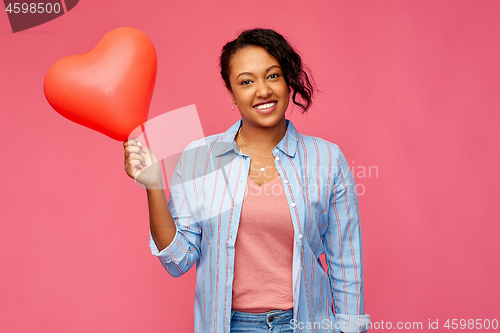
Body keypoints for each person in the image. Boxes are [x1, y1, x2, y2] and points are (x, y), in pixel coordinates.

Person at [123, 28, 371, 333]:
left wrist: (350, 329)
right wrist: (153, 186)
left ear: (287, 81)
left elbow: (345, 260)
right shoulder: (199, 157)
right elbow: (178, 261)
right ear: (231, 93)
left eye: (272, 76)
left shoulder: (326, 159)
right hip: (230, 326)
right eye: (246, 82)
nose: (263, 91)